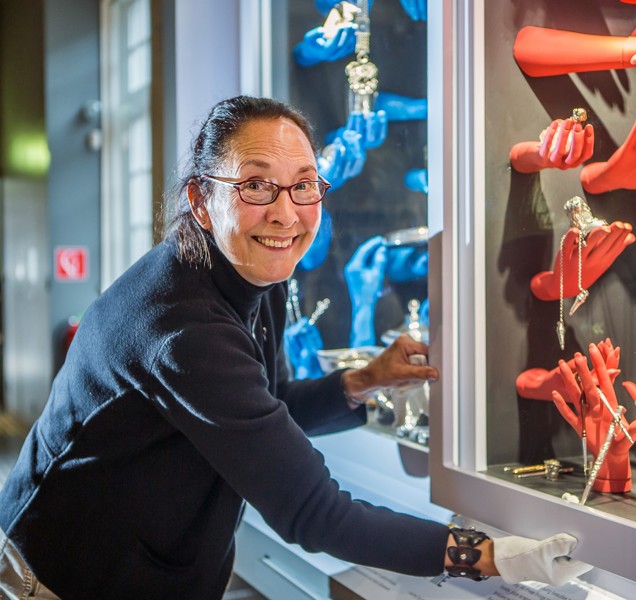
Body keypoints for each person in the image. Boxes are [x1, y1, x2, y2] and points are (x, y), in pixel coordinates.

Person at [0, 96, 587, 599]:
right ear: (202, 201)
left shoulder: (258, 276)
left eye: (304, 185)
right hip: (59, 578)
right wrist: (488, 556)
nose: (285, 213)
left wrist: (361, 381)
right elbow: (312, 512)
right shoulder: (183, 326)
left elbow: (267, 400)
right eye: (256, 185)